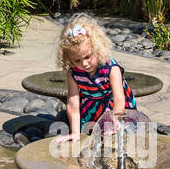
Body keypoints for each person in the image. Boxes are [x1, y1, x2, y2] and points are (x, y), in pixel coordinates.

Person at [55, 14, 135, 145]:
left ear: (97, 48)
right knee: (92, 135)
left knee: (116, 135)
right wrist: (75, 133)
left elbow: (119, 98)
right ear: (68, 58)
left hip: (115, 106)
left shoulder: (111, 68)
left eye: (88, 57)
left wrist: (116, 118)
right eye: (77, 60)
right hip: (92, 106)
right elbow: (73, 103)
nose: (84, 63)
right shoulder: (73, 73)